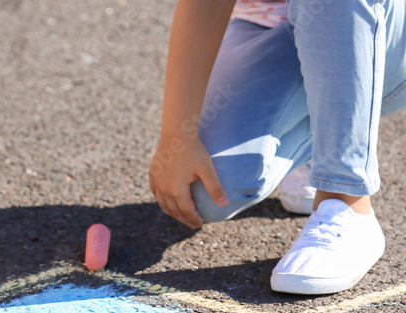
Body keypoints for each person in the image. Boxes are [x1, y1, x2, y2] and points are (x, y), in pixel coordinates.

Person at [149, 0, 406, 295]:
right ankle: (327, 139)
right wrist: (176, 138)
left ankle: (346, 199)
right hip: (267, 28)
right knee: (205, 189)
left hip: (384, 34)